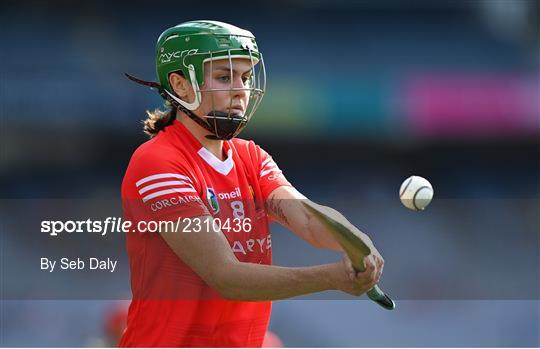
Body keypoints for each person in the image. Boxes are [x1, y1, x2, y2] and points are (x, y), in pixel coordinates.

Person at [119, 20, 384, 347]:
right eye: (223, 77)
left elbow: (306, 218)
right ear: (181, 85)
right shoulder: (158, 161)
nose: (240, 89)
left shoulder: (251, 156)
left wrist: (356, 241)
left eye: (244, 77)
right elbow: (225, 276)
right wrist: (331, 277)